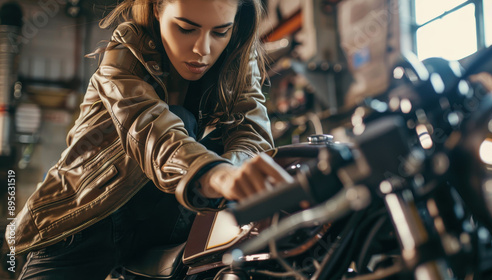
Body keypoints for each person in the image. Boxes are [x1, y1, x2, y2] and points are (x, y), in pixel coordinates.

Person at [5, 0, 293, 279]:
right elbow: (153, 130)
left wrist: (236, 172)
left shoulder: (238, 57)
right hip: (82, 224)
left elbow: (252, 131)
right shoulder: (124, 55)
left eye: (220, 31)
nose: (202, 50)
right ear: (157, 8)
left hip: (161, 230)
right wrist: (217, 175)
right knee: (181, 119)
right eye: (185, 28)